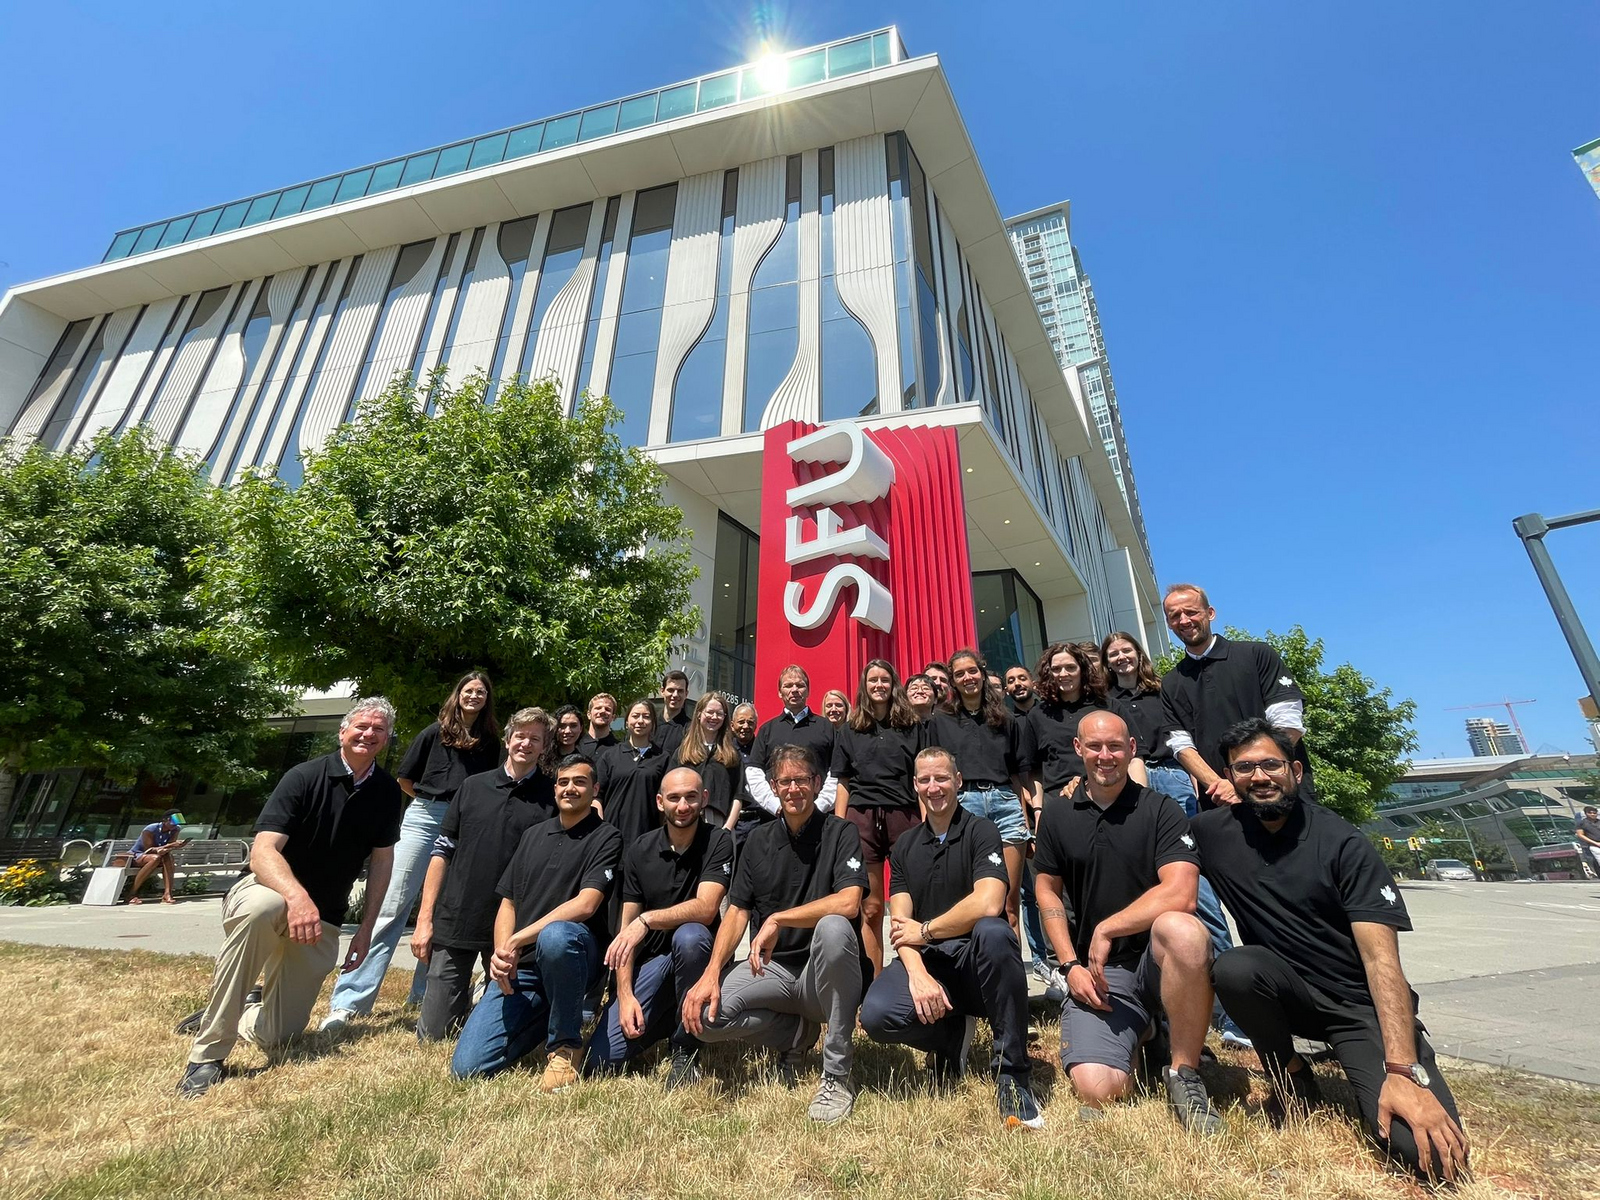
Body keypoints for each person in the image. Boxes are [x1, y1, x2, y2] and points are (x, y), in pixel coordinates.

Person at [1197, 719, 1469, 1182]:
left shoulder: (1343, 843)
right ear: (1229, 777)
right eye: (1244, 768)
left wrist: (1401, 1068)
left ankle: (1397, 1061)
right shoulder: (1212, 832)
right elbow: (1147, 841)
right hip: (1287, 995)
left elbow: (1382, 961)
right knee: (1235, 967)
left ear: (1296, 771)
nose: (1258, 777)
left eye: (1270, 764)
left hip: (1357, 1007)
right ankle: (1292, 1076)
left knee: (1433, 1163)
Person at [175, 698, 405, 1098]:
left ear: (386, 739)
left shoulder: (386, 792)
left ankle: (242, 1012)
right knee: (266, 907)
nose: (368, 734)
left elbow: (382, 862)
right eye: (361, 726)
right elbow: (262, 851)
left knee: (279, 1035)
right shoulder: (303, 776)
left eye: (378, 729)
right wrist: (297, 897)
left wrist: (367, 929)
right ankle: (208, 1054)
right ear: (343, 731)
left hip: (323, 916)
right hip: (268, 893)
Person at [1031, 710, 1223, 1133]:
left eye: (1115, 746)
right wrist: (1068, 965)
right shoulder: (1059, 816)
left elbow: (1182, 893)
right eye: (1095, 746)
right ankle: (1145, 1031)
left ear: (1131, 750)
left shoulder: (1161, 810)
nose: (1105, 756)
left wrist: (1107, 927)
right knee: (1096, 1089)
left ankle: (1183, 1074)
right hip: (1105, 972)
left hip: (1158, 960)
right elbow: (1046, 890)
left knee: (1184, 931)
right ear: (1079, 750)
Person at [683, 745, 868, 1124]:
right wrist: (710, 974)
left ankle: (835, 1076)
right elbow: (736, 911)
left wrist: (780, 919)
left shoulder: (841, 832)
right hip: (773, 971)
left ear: (817, 784)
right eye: (785, 781)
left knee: (833, 926)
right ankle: (795, 1034)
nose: (794, 788)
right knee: (705, 1017)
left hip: (822, 976)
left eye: (802, 779)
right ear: (773, 786)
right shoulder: (755, 841)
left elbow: (849, 902)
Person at [860, 746, 1043, 1129]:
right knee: (876, 1015)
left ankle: (1012, 1074)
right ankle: (950, 1036)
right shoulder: (906, 846)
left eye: (941, 778)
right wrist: (917, 973)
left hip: (975, 965)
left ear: (957, 781)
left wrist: (926, 932)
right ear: (915, 786)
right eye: (924, 780)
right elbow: (900, 924)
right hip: (931, 964)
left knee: (995, 933)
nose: (933, 786)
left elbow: (989, 902)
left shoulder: (982, 831)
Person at [322, 672, 501, 1032]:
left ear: (487, 700)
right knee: (392, 905)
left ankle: (425, 994)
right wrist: (428, 805)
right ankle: (349, 1001)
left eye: (481, 692)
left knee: (445, 911)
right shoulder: (434, 733)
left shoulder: (491, 741)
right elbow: (406, 777)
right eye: (469, 690)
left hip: (467, 822)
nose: (474, 696)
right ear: (458, 694)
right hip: (426, 815)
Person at [1103, 630, 1249, 1049]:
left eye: (1126, 650)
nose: (1121, 658)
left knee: (1195, 891)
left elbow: (1187, 739)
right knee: (1148, 889)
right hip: (1131, 780)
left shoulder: (1164, 690)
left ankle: (1233, 1012)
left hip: (1173, 779)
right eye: (1113, 655)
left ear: (1138, 654)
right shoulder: (1107, 702)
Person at [450, 754, 624, 1089]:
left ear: (595, 789)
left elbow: (586, 904)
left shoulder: (607, 837)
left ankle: (564, 1046)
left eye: (579, 782)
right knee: (467, 1068)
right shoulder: (532, 835)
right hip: (525, 969)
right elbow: (508, 901)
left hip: (574, 957)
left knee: (557, 936)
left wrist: (517, 940)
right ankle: (551, 1013)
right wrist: (501, 951)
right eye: (563, 782)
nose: (569, 788)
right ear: (554, 788)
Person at [411, 708, 557, 1041]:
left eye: (535, 738)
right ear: (507, 739)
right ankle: (463, 1002)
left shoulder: (551, 797)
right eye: (520, 735)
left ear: (544, 746)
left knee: (500, 1032)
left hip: (514, 926)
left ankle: (481, 1002)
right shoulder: (472, 787)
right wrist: (425, 918)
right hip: (458, 917)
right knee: (434, 1035)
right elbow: (441, 853)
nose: (526, 743)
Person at [586, 766, 734, 1085]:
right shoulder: (640, 848)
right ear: (659, 802)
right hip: (652, 964)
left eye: (692, 797)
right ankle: (667, 1019)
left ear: (704, 799)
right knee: (597, 1061)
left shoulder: (719, 841)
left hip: (698, 957)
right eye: (674, 798)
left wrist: (647, 919)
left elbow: (707, 909)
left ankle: (685, 1049)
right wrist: (624, 995)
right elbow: (627, 931)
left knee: (690, 935)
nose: (683, 806)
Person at [1159, 583, 1314, 807]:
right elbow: (1180, 746)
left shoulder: (1256, 654)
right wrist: (1220, 785)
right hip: (1220, 803)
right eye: (1175, 616)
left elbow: (1288, 723)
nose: (1184, 620)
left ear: (1210, 613)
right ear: (1168, 623)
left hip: (1281, 794)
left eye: (1192, 612)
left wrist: (1248, 777)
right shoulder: (1171, 683)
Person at [831, 660, 924, 975]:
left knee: (910, 904)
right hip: (863, 818)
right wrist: (839, 826)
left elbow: (921, 780)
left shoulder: (912, 727)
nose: (879, 685)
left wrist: (927, 826)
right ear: (864, 686)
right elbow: (843, 781)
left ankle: (913, 974)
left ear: (893, 684)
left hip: (905, 816)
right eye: (873, 680)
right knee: (870, 908)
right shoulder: (850, 729)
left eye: (885, 679)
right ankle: (875, 982)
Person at [932, 650, 1029, 940]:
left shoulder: (1006, 719)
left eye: (972, 671)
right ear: (952, 681)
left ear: (982, 674)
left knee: (1009, 902)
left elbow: (1016, 775)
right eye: (960, 673)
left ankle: (1012, 980)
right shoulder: (940, 720)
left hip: (1005, 803)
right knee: (969, 898)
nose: (967, 678)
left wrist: (1024, 815)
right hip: (965, 804)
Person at [744, 665, 839, 822]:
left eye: (800, 685)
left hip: (819, 819)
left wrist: (819, 806)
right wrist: (775, 806)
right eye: (788, 685)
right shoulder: (767, 729)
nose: (794, 689)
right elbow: (754, 773)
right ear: (780, 693)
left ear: (808, 691)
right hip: (773, 819)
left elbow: (836, 771)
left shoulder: (826, 727)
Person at [597, 700, 671, 848]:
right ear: (626, 721)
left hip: (648, 836)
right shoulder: (610, 756)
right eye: (635, 716)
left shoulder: (663, 758)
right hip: (611, 835)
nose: (640, 721)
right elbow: (597, 796)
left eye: (646, 716)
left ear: (653, 723)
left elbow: (665, 801)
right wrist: (600, 827)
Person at [672, 691, 744, 833]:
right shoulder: (682, 753)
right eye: (710, 712)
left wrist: (727, 829)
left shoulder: (733, 755)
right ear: (699, 714)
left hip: (719, 824)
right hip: (685, 821)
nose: (714, 717)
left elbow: (738, 796)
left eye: (719, 713)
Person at [122, 811, 188, 904]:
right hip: (138, 855)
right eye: (173, 822)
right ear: (165, 820)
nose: (175, 825)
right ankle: (131, 893)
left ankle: (167, 894)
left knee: (168, 856)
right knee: (155, 858)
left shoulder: (176, 829)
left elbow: (170, 845)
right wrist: (167, 847)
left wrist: (175, 846)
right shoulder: (150, 829)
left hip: (159, 856)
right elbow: (148, 849)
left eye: (177, 823)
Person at [729, 701, 764, 847]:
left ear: (756, 725)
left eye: (750, 722)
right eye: (741, 722)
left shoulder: (763, 751)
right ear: (732, 725)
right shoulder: (724, 752)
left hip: (758, 824)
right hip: (731, 823)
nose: (745, 727)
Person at [652, 670, 692, 755]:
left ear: (686, 694)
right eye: (671, 690)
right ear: (662, 691)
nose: (675, 695)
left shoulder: (691, 730)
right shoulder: (650, 723)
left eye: (680, 691)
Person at [578, 693, 619, 757]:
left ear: (613, 717)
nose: (602, 711)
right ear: (589, 714)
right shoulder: (576, 746)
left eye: (607, 709)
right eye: (598, 708)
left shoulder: (619, 749)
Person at [1575, 805, 1600, 876]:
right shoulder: (1582, 823)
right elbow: (1580, 835)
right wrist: (1595, 843)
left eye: (1594, 813)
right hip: (1594, 845)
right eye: (1590, 813)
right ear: (1586, 814)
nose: (1592, 814)